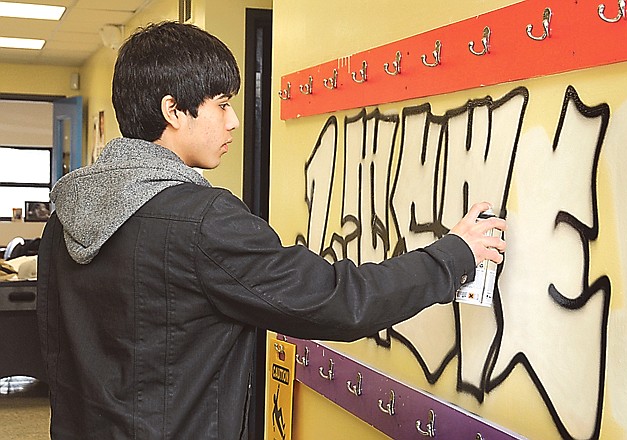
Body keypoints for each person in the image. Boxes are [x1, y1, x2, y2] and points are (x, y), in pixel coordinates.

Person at [37, 21, 506, 440]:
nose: (234, 120)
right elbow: (338, 301)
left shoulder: (65, 216)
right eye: (221, 105)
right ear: (173, 111)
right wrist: (455, 256)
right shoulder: (202, 222)